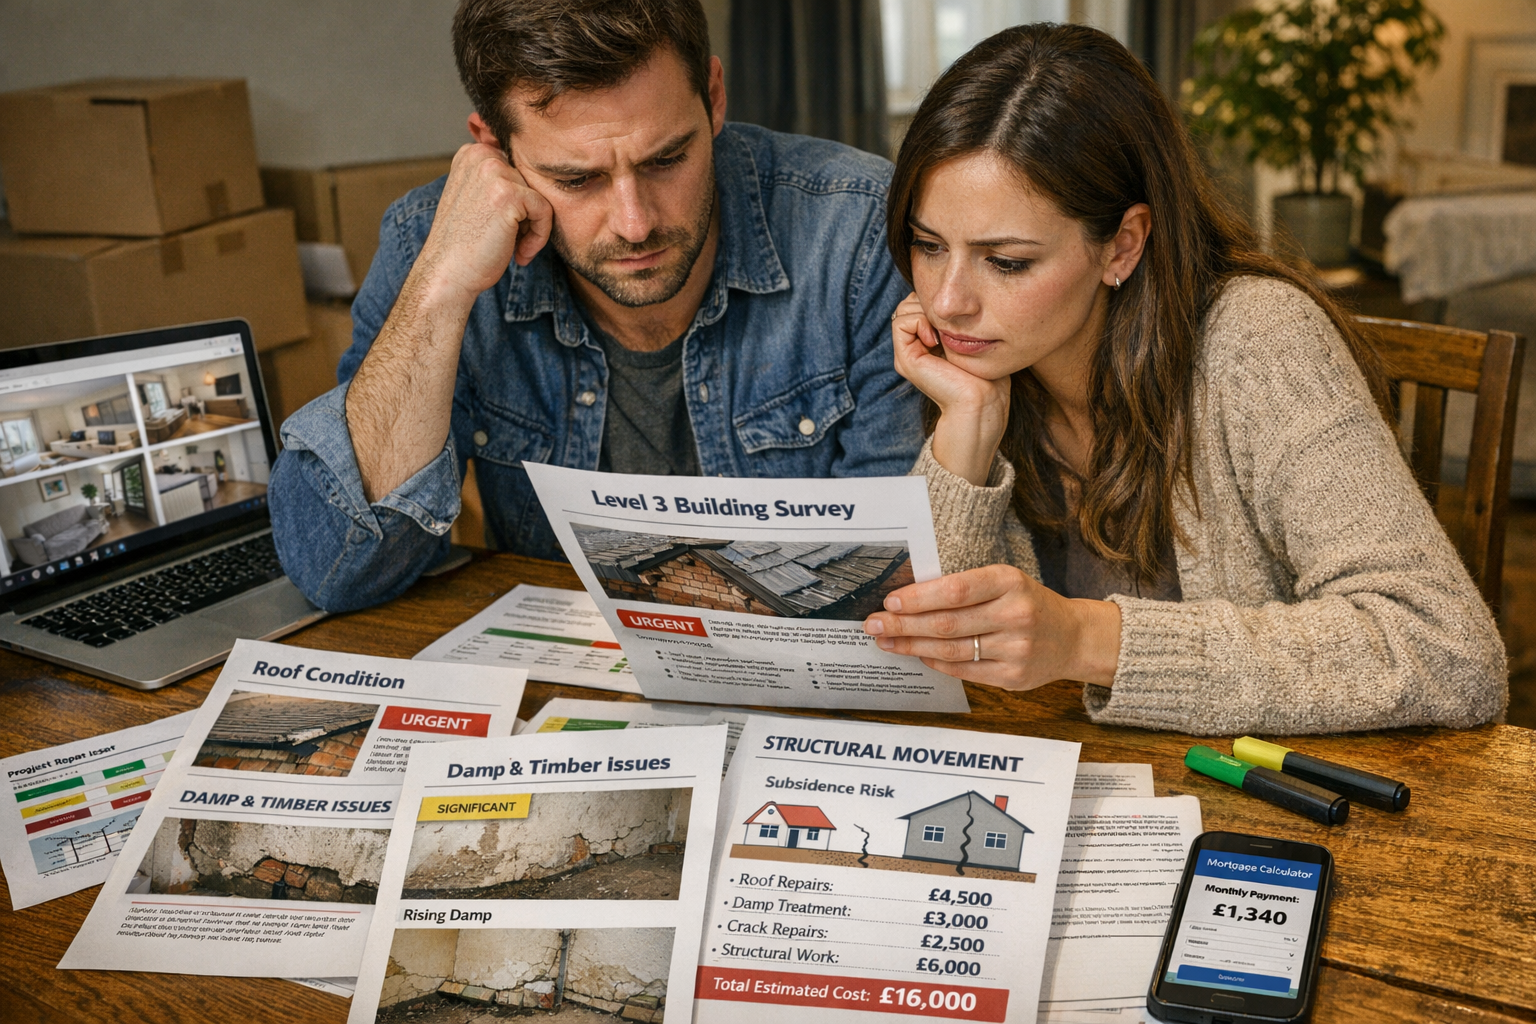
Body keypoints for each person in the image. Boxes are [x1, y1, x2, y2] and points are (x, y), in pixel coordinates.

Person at [861, 23, 1507, 735]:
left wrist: (1084, 638)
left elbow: (1449, 652)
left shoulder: (1260, 339)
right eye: (927, 245)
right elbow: (926, 662)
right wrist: (968, 424)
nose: (948, 299)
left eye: (1006, 261)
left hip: (1273, 798)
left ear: (1125, 244)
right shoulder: (985, 366)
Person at [268, 0, 921, 611]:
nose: (635, 224)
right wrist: (439, 287)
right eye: (577, 180)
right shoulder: (428, 242)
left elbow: (898, 571)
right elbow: (339, 570)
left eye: (667, 159)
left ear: (714, 99)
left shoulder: (858, 227)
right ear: (492, 149)